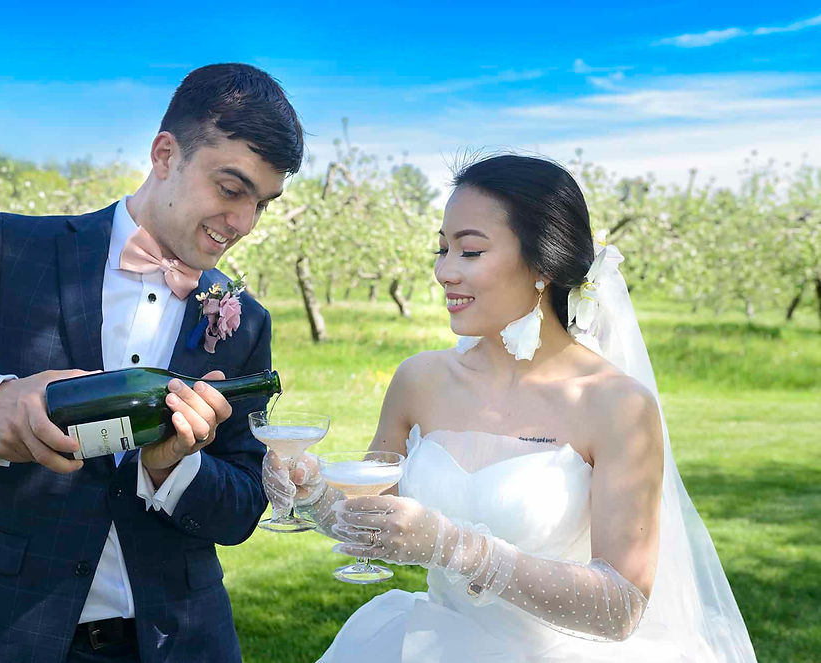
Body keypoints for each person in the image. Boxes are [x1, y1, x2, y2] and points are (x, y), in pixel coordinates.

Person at [0, 63, 303, 663]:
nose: (242, 224)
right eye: (231, 189)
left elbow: (241, 506)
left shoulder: (243, 318)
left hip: (179, 640)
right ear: (165, 154)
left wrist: (172, 470)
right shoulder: (15, 249)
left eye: (262, 204)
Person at [265, 155, 757, 662]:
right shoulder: (420, 380)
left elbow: (621, 607)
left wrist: (459, 549)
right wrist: (314, 493)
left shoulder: (617, 405)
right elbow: (375, 522)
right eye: (442, 249)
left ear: (543, 263)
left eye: (470, 251)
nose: (443, 271)